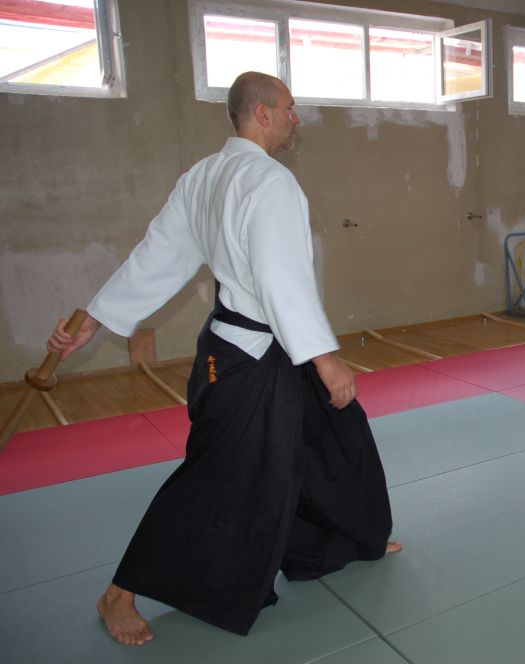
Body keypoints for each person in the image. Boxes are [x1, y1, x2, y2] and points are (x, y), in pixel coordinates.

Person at [47, 71, 400, 645]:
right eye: (289, 107)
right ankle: (120, 591)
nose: (296, 118)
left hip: (262, 345)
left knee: (335, 437)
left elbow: (156, 257)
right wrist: (325, 359)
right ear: (262, 114)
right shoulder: (269, 182)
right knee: (220, 475)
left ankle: (343, 542)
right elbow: (278, 279)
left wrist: (95, 315)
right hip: (252, 355)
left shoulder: (203, 176)